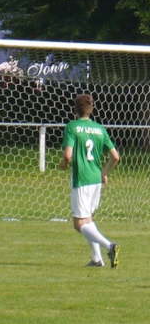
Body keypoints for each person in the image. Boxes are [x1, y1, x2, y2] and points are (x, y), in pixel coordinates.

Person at [60, 94, 120, 268]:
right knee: (88, 219)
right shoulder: (100, 129)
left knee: (79, 224)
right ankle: (96, 259)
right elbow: (116, 157)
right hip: (95, 179)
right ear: (91, 108)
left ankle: (110, 246)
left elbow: (68, 155)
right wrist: (104, 173)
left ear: (75, 109)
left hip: (82, 179)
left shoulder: (73, 126)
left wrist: (63, 164)